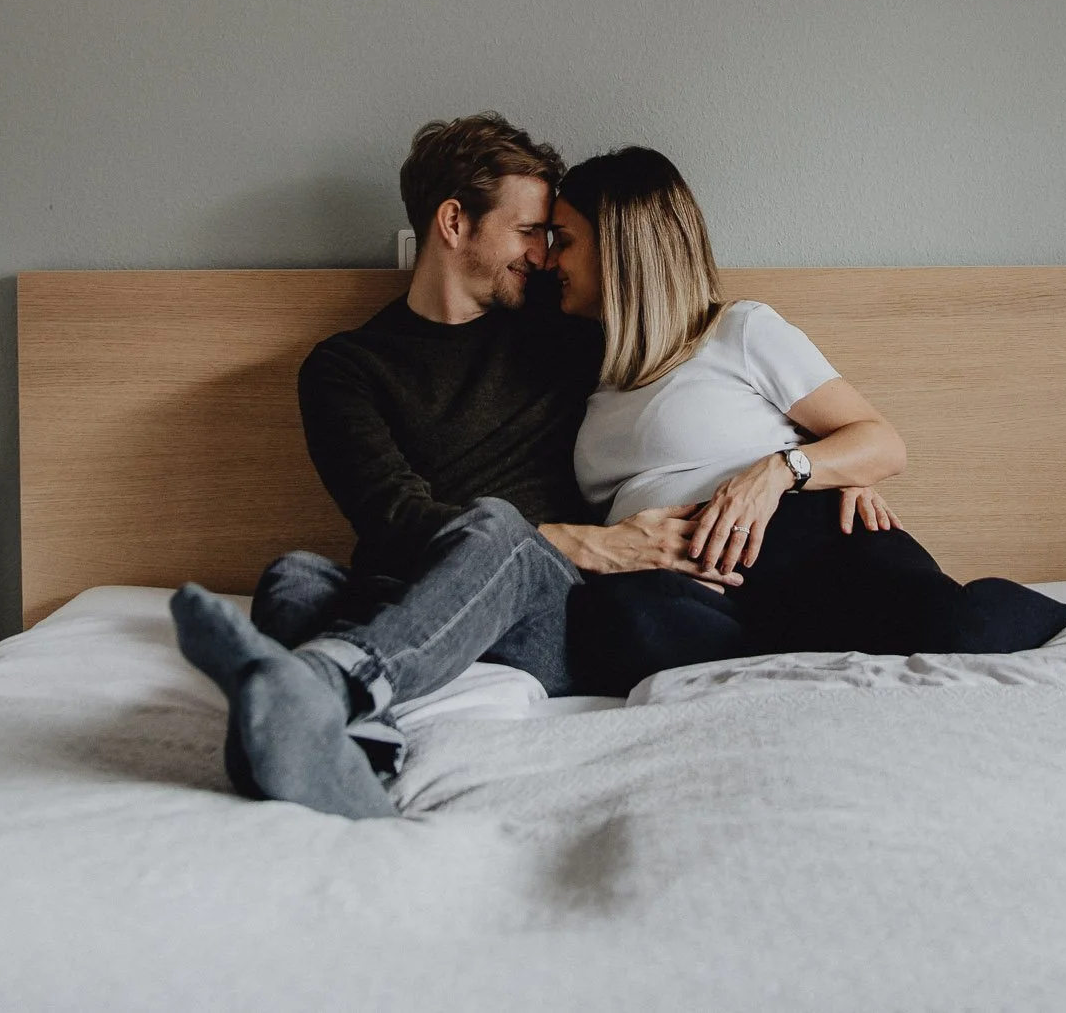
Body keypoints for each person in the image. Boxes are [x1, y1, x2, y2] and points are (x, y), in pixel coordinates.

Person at [168, 115, 737, 818]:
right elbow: (393, 518)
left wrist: (794, 468)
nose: (544, 255)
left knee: (499, 529)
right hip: (412, 588)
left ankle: (331, 683)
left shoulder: (567, 330)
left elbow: (707, 364)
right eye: (528, 232)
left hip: (547, 613)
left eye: (551, 238)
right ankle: (351, 754)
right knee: (294, 577)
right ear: (453, 222)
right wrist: (586, 539)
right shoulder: (346, 368)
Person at [549, 146, 1066, 695]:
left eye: (565, 240)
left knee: (951, 633)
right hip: (688, 580)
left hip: (807, 541)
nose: (549, 260)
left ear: (621, 250)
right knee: (621, 627)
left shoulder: (739, 332)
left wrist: (777, 472)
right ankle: (792, 656)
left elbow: (881, 442)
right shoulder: (588, 381)